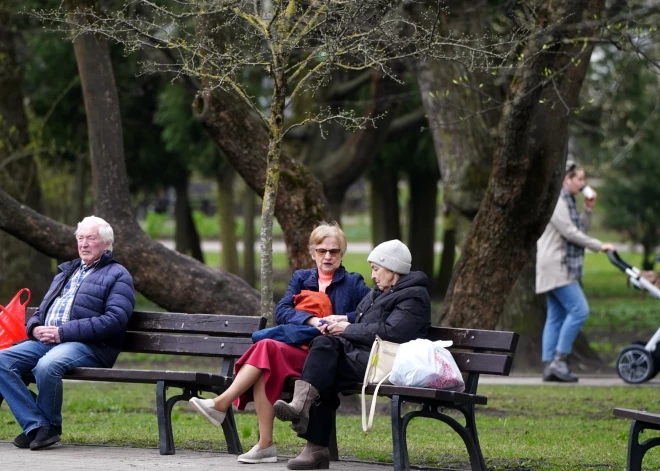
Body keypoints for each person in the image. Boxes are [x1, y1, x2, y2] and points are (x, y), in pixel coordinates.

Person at [188, 222, 370, 464]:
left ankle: (226, 408)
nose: (327, 256)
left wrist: (340, 319)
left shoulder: (354, 283)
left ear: (342, 253)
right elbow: (282, 311)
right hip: (296, 347)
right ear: (312, 252)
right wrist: (313, 320)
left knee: (265, 351)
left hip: (324, 356)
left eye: (334, 251)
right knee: (265, 356)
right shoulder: (302, 278)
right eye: (321, 251)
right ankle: (260, 442)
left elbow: (367, 315)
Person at [273, 239, 431, 470]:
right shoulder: (382, 290)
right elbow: (364, 317)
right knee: (323, 359)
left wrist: (347, 329)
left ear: (391, 269)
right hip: (365, 355)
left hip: (388, 362)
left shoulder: (413, 296)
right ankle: (304, 418)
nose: (373, 275)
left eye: (376, 269)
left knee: (324, 363)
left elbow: (393, 332)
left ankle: (310, 432)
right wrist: (343, 319)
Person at [0, 216, 135, 450]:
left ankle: (46, 426)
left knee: (46, 366)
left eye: (91, 238)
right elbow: (41, 311)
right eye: (80, 238)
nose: (84, 244)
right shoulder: (66, 272)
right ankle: (38, 425)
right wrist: (35, 327)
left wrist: (62, 332)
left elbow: (114, 321)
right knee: (2, 360)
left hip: (91, 346)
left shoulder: (118, 274)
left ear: (106, 243)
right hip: (48, 341)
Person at [536, 161, 615, 383]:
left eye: (584, 180)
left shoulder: (569, 201)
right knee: (580, 310)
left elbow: (580, 229)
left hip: (557, 265)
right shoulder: (557, 201)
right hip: (556, 264)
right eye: (579, 179)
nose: (583, 184)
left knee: (556, 315)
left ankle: (550, 364)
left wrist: (589, 208)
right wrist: (599, 246)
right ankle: (559, 361)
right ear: (566, 179)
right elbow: (570, 232)